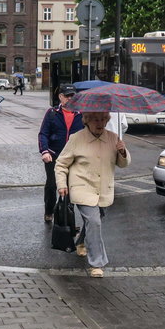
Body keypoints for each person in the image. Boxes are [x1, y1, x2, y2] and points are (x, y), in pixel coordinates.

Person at [55, 111, 130, 278]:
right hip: (82, 187)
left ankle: (81, 241)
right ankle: (97, 264)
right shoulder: (76, 138)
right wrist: (61, 184)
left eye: (103, 119)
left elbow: (123, 164)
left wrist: (123, 151)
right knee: (94, 221)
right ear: (87, 120)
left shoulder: (113, 137)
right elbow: (61, 163)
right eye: (96, 119)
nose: (100, 123)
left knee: (95, 219)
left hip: (103, 189)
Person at [38, 84, 84, 222]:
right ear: (60, 97)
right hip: (54, 155)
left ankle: (66, 217)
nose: (70, 98)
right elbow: (43, 134)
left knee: (71, 187)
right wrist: (44, 151)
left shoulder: (81, 115)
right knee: (52, 185)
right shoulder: (52, 113)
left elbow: (88, 135)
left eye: (73, 96)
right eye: (67, 96)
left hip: (73, 157)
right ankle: (49, 210)